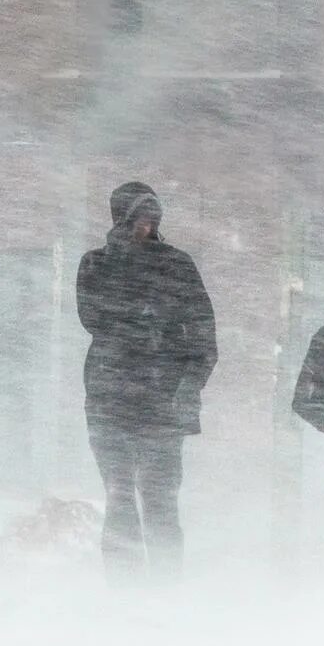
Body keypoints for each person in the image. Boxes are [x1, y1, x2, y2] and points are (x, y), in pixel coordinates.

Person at [77, 182, 217, 581]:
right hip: (111, 402)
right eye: (138, 218)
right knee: (120, 500)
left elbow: (205, 337)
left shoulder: (177, 264)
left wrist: (187, 386)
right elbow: (94, 319)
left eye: (152, 218)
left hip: (160, 405)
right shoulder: (96, 264)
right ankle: (125, 591)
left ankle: (165, 591)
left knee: (160, 504)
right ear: (120, 219)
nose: (146, 226)